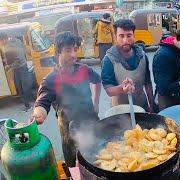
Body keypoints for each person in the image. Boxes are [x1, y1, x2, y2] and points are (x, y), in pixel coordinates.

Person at [32, 31, 101, 167]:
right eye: (68, 50)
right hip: (70, 131)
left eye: (75, 50)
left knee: (100, 156)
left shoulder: (83, 69)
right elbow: (41, 102)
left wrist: (96, 103)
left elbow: (97, 81)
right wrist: (38, 114)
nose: (74, 55)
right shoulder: (51, 79)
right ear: (58, 53)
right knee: (76, 166)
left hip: (91, 123)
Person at [101, 19, 155, 112]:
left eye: (129, 35)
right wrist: (122, 88)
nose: (125, 40)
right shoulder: (109, 60)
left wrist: (152, 105)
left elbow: (147, 83)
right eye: (121, 36)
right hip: (120, 110)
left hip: (142, 106)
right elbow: (109, 90)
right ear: (116, 37)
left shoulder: (142, 56)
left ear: (133, 35)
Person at [0, 33, 32, 112]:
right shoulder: (16, 41)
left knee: (22, 88)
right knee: (22, 87)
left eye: (0, 41)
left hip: (19, 67)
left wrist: (9, 66)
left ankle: (28, 106)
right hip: (21, 66)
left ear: (4, 40)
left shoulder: (8, 47)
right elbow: (22, 52)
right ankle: (27, 104)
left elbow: (17, 59)